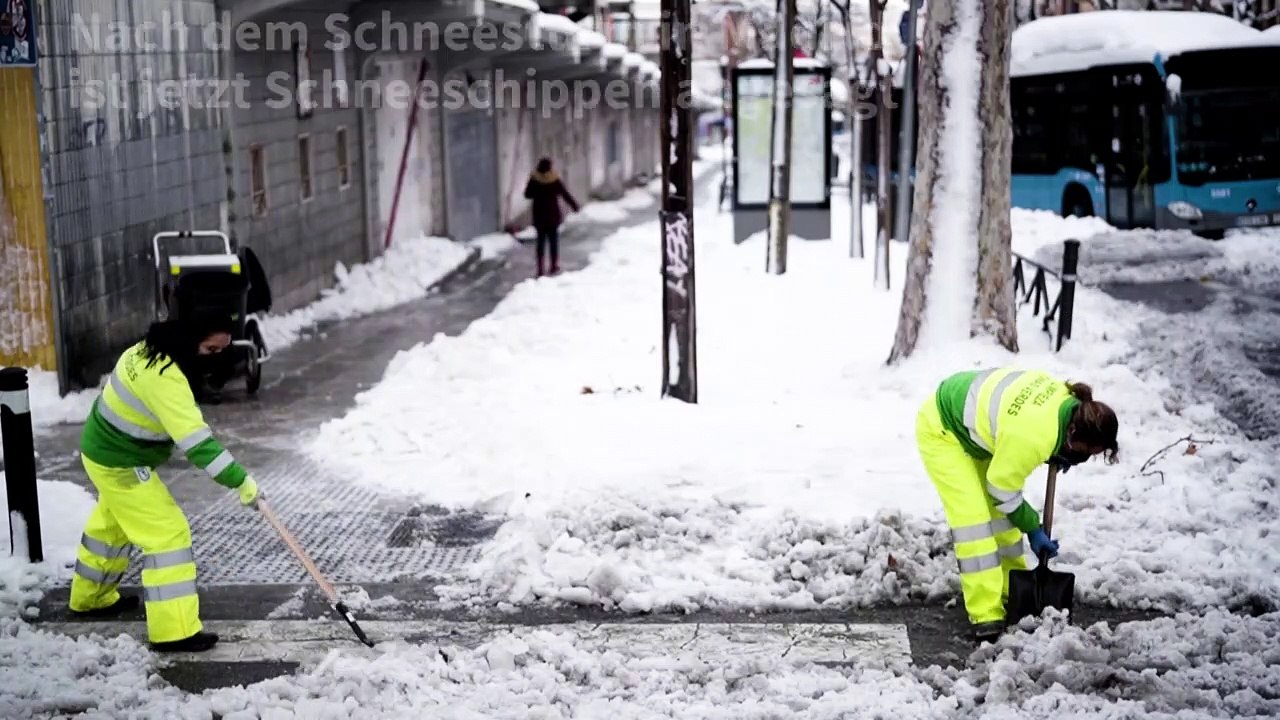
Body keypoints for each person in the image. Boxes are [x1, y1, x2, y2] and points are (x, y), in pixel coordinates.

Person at [68, 313, 261, 653]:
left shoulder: (146, 350)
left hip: (103, 450)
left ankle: (90, 597)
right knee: (168, 533)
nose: (216, 358)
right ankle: (174, 631)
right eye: (210, 350)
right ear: (190, 340)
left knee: (111, 527)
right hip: (119, 462)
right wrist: (240, 481)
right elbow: (199, 445)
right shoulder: (164, 377)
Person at [914, 367, 1118, 641]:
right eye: (1085, 453)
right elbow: (1002, 489)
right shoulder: (1033, 437)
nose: (1085, 459)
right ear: (1072, 434)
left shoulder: (1070, 402)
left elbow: (1005, 490)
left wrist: (1061, 451)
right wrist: (1033, 527)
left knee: (1002, 517)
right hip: (943, 428)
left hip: (979, 427)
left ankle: (1011, 587)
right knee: (973, 521)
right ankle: (985, 613)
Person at [523, 157, 580, 277]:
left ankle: (540, 268)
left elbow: (527, 194)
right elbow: (565, 194)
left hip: (539, 215)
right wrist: (574, 205)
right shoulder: (554, 179)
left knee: (540, 242)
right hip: (553, 215)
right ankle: (553, 266)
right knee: (553, 241)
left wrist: (536, 190)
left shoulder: (534, 179)